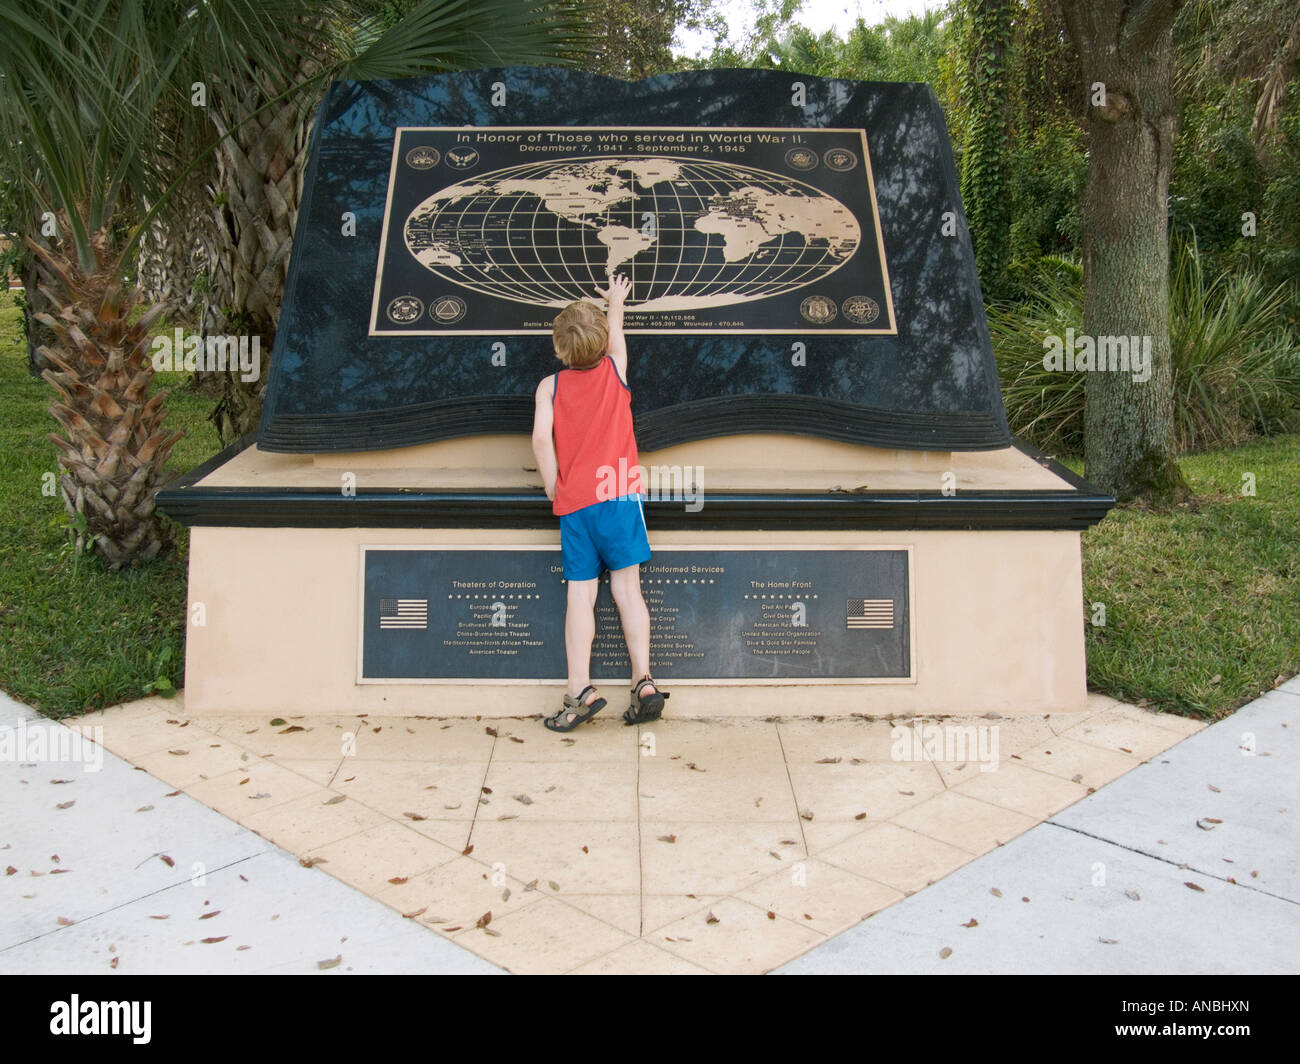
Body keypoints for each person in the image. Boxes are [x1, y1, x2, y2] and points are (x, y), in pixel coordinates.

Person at [530, 273, 668, 731]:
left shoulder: (549, 387)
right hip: (620, 496)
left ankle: (579, 691)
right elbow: (618, 338)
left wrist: (554, 486)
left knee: (580, 596)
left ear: (559, 350)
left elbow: (540, 441)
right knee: (628, 591)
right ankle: (643, 682)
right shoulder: (615, 369)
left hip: (576, 504)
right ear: (603, 342)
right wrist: (615, 301)